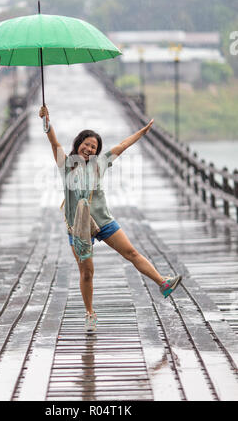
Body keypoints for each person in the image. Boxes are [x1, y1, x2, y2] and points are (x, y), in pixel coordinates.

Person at [39, 106, 182, 332]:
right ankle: (89, 313)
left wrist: (142, 132)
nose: (89, 148)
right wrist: (47, 122)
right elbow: (55, 144)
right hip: (78, 228)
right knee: (86, 272)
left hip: (104, 221)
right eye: (86, 143)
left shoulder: (99, 164)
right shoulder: (66, 165)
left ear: (97, 152)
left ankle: (162, 283)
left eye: (93, 146)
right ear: (78, 144)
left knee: (132, 253)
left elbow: (122, 146)